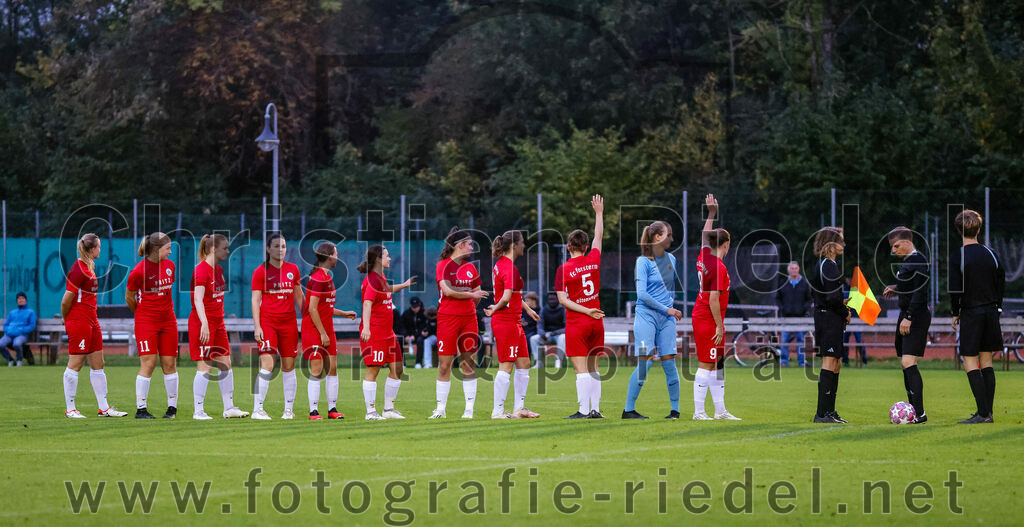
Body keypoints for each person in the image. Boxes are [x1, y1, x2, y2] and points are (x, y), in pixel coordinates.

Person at [61, 233, 128, 418]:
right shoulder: (79, 269)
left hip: (92, 320)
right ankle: (70, 409)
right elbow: (66, 300)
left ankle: (104, 408)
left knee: (98, 364)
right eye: (99, 246)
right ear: (92, 249)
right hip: (80, 320)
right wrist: (67, 319)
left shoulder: (89, 266)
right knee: (76, 364)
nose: (101, 249)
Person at [622, 219, 684, 420]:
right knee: (645, 363)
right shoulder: (642, 262)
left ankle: (675, 411)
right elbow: (642, 295)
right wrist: (668, 309)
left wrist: (670, 306)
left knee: (669, 363)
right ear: (658, 237)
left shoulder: (672, 259)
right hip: (646, 315)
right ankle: (628, 410)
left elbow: (668, 289)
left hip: (666, 318)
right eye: (669, 235)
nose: (672, 239)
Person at [949, 210, 1004, 424]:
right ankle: (987, 413)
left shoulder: (958, 256)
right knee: (987, 361)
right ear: (979, 229)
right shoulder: (991, 254)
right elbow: (1001, 282)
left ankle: (982, 414)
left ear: (958, 231)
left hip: (971, 312)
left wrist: (956, 312)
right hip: (991, 312)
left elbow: (955, 290)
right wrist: (997, 306)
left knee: (970, 360)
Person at [555, 194, 606, 419]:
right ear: (585, 246)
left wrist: (585, 310)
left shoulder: (563, 269)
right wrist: (599, 213)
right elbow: (599, 236)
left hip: (578, 323)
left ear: (568, 247)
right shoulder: (594, 259)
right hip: (597, 321)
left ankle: (583, 411)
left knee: (580, 369)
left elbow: (562, 300)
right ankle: (595, 410)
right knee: (594, 368)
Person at [431, 227, 489, 419]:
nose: (472, 247)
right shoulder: (443, 265)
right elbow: (447, 291)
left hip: (469, 319)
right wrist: (471, 295)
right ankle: (440, 409)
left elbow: (478, 292)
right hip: (447, 318)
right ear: (460, 245)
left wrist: (471, 298)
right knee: (444, 365)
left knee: (468, 364)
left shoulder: (470, 267)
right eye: (470, 244)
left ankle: (469, 410)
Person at [692, 194, 740, 421]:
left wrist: (711, 213)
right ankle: (699, 412)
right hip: (707, 318)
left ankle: (720, 410)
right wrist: (720, 326)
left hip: (706, 316)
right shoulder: (718, 267)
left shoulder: (704, 255)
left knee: (717, 365)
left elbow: (704, 237)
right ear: (726, 244)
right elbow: (713, 299)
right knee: (706, 365)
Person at [189, 234, 248, 420]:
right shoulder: (201, 270)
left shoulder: (218, 269)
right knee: (205, 365)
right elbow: (198, 299)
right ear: (213, 249)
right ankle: (198, 411)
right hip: (203, 323)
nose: (228, 251)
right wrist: (205, 324)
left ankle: (229, 408)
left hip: (218, 322)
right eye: (225, 248)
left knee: (225, 364)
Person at [486, 230, 541, 419]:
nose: (524, 245)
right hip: (505, 321)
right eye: (522, 242)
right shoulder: (508, 267)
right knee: (506, 365)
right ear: (513, 245)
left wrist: (528, 309)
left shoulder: (504, 265)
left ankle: (519, 408)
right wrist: (495, 309)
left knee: (524, 363)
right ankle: (498, 411)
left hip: (515, 321)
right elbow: (506, 296)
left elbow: (514, 295)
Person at [251, 233, 304, 420]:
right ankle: (257, 409)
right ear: (268, 249)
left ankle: (288, 410)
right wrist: (257, 326)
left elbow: (299, 296)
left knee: (289, 366)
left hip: (289, 324)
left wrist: (308, 317)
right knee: (268, 364)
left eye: (283, 246)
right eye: (276, 246)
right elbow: (255, 299)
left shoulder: (293, 269)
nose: (280, 250)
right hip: (268, 323)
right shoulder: (260, 272)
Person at [301, 242, 357, 420]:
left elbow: (325, 307)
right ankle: (313, 411)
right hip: (314, 330)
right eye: (336, 253)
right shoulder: (318, 278)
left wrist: (343, 313)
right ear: (330, 256)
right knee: (316, 369)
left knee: (332, 368)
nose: (338, 257)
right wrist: (322, 333)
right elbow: (312, 309)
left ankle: (332, 409)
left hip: (327, 329)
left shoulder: (327, 277)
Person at [358, 244, 415, 420]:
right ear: (378, 259)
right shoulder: (372, 279)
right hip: (374, 332)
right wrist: (366, 327)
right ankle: (371, 412)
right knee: (373, 371)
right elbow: (367, 303)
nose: (390, 258)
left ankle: (388, 410)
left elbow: (387, 290)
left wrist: (404, 285)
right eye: (387, 255)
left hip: (388, 333)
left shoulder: (380, 277)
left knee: (397, 368)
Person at [126, 232, 179, 419]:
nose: (170, 252)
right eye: (168, 249)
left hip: (168, 321)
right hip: (146, 322)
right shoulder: (139, 271)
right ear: (156, 249)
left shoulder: (170, 266)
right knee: (148, 363)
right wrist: (142, 314)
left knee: (169, 364)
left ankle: (172, 409)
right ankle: (141, 409)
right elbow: (129, 297)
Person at [882, 227, 930, 424]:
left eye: (896, 246)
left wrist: (909, 316)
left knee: (908, 362)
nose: (893, 250)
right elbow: (910, 287)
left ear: (908, 241)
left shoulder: (919, 260)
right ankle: (913, 411)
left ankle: (919, 413)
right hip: (906, 314)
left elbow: (920, 291)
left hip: (915, 316)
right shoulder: (907, 262)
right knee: (904, 363)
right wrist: (896, 288)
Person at [811, 227, 851, 424]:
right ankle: (822, 413)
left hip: (827, 316)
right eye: (840, 240)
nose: (843, 244)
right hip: (829, 319)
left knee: (836, 363)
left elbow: (825, 295)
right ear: (830, 244)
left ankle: (830, 411)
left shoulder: (824, 265)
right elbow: (833, 298)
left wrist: (840, 306)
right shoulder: (828, 266)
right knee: (829, 362)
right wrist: (845, 311)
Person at [776, 261, 811, 367]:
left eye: (795, 268)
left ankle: (801, 362)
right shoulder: (783, 282)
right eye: (792, 268)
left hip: (799, 317)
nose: (794, 270)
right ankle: (784, 361)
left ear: (798, 269)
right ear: (788, 270)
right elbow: (778, 298)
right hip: (786, 317)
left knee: (800, 341)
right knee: (785, 340)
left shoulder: (804, 283)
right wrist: (782, 308)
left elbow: (809, 299)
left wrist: (805, 309)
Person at [530, 293, 566, 368]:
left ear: (558, 300)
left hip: (558, 335)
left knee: (563, 337)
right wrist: (542, 333)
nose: (551, 301)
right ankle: (539, 363)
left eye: (553, 299)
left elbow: (566, 327)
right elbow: (539, 325)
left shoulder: (563, 310)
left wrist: (554, 333)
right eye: (550, 299)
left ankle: (558, 361)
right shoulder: (544, 310)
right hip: (546, 336)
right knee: (533, 339)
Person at [2, 292, 35, 366]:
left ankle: (19, 360)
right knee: (1, 344)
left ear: (26, 300)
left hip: (22, 335)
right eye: (19, 299)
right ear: (17, 301)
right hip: (9, 334)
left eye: (22, 298)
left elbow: (31, 326)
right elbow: (6, 325)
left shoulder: (30, 312)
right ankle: (10, 360)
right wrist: (8, 330)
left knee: (16, 344)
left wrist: (20, 330)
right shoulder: (12, 313)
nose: (21, 300)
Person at [842, 276, 867, 366]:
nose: (850, 280)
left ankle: (863, 360)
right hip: (845, 320)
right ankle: (845, 360)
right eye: (848, 278)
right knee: (844, 341)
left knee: (859, 340)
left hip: (856, 320)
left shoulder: (858, 290)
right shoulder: (843, 290)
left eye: (851, 278)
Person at [400, 297, 428, 368]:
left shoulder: (424, 314)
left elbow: (423, 327)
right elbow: (402, 326)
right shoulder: (406, 314)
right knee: (399, 340)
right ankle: (402, 363)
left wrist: (415, 336)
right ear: (410, 306)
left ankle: (418, 363)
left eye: (417, 307)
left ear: (420, 305)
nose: (415, 308)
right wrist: (406, 336)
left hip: (418, 336)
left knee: (420, 340)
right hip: (407, 336)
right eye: (413, 307)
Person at [522, 292, 540, 366]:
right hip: (524, 331)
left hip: (534, 332)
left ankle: (528, 361)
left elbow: (538, 324)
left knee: (528, 338)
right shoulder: (523, 310)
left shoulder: (539, 310)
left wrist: (527, 323)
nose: (525, 303)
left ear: (533, 301)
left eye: (527, 301)